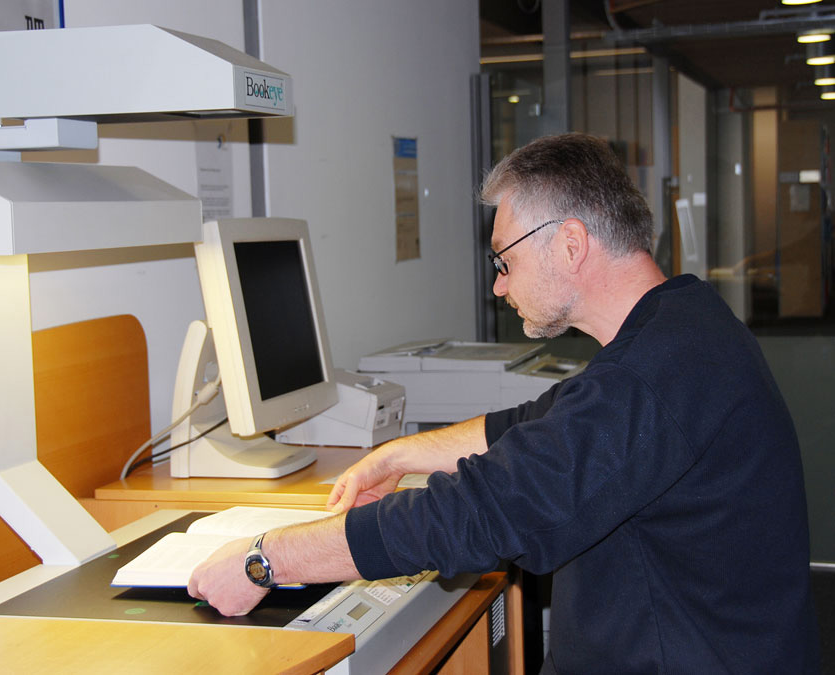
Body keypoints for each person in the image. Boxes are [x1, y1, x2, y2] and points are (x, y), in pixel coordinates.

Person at [188, 133, 820, 673]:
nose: (498, 284)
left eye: (504, 260)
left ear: (571, 244)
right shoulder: (683, 322)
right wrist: (399, 454)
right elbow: (544, 421)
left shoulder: (656, 373)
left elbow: (487, 510)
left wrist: (264, 558)